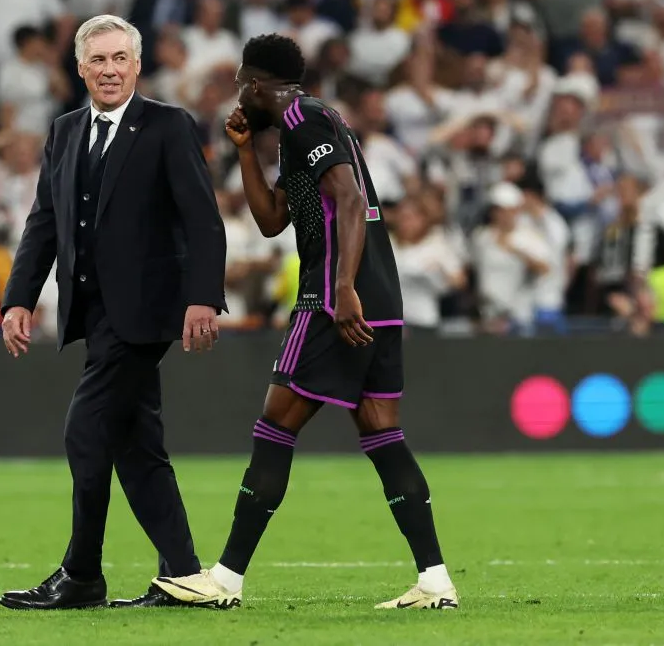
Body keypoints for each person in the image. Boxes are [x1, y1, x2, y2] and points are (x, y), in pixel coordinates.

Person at [149, 34, 458, 610]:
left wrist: (340, 289)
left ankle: (225, 578)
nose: (239, 95)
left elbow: (348, 196)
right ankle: (435, 581)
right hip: (381, 298)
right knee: (382, 432)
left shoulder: (301, 120)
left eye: (243, 83)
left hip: (335, 298)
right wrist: (244, 150)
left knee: (276, 422)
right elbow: (270, 221)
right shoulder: (312, 123)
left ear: (259, 83)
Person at [0, 15, 227, 611]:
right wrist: (19, 296)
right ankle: (183, 574)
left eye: (119, 58)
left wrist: (203, 296)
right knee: (134, 444)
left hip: (146, 313)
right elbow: (44, 220)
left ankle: (81, 576)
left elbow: (203, 218)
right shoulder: (65, 131)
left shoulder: (169, 126)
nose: (109, 69)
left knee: (85, 430)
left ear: (137, 65)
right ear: (80, 67)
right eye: (98, 60)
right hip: (93, 313)